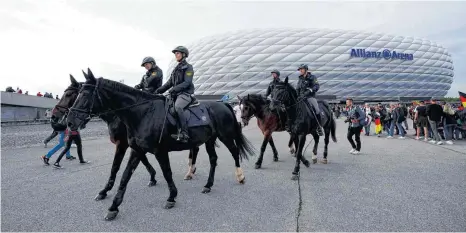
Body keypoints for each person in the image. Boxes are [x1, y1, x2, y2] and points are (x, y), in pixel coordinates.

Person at [155, 46, 194, 143]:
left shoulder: (188, 67)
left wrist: (174, 89)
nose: (176, 55)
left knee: (178, 108)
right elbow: (169, 83)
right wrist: (157, 91)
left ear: (184, 54)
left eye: (178, 53)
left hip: (185, 94)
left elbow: (187, 82)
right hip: (175, 94)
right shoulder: (176, 69)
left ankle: (184, 133)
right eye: (175, 54)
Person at [296, 64, 323, 136]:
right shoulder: (300, 79)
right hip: (300, 98)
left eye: (302, 69)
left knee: (316, 109)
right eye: (300, 69)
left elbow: (317, 86)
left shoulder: (312, 77)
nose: (300, 71)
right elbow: (297, 88)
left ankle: (319, 126)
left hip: (310, 97)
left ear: (306, 69)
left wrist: (310, 90)